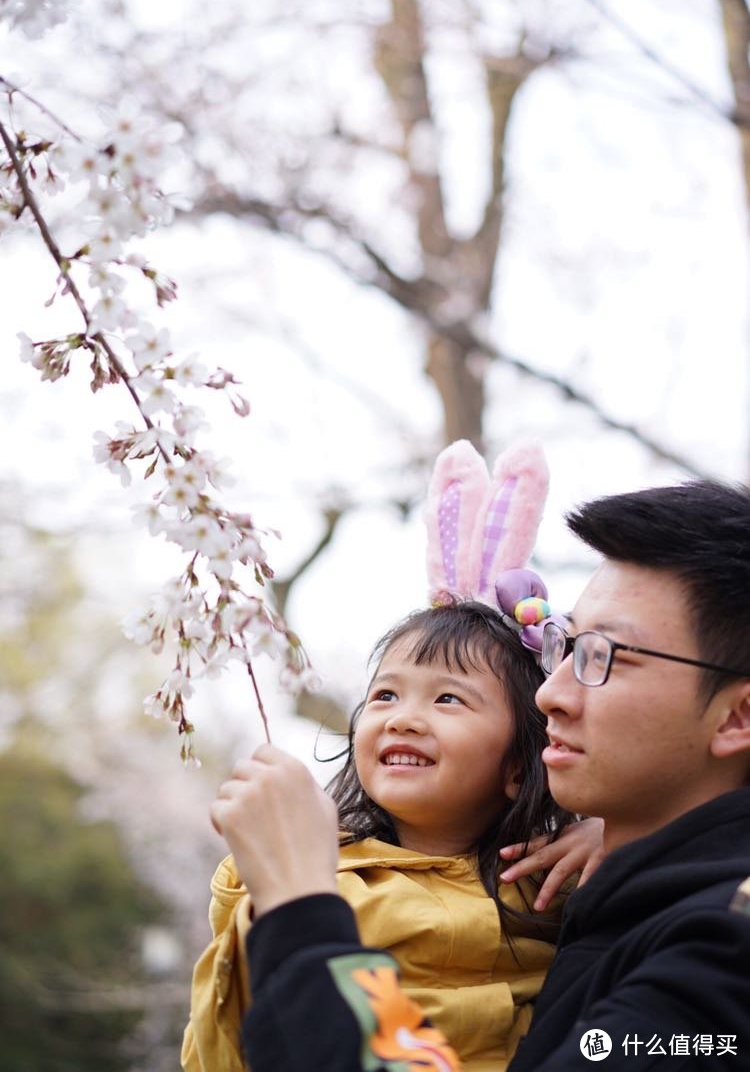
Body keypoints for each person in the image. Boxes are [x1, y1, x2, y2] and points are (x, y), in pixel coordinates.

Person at [211, 478, 750, 1071]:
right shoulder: (602, 897)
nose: (551, 693)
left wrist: (299, 910)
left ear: (737, 716)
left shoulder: (722, 960)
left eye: (605, 657)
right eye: (564, 649)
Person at [182, 440, 603, 1072]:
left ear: (521, 764)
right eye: (384, 694)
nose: (404, 716)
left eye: (449, 700)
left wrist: (611, 832)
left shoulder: (545, 887)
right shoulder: (313, 869)